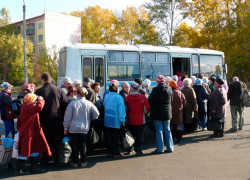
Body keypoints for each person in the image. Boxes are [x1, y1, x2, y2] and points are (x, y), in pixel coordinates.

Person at [35, 72, 68, 166]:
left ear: (43, 79)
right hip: (57, 119)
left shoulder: (39, 91)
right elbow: (65, 104)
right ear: (50, 79)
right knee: (57, 140)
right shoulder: (59, 90)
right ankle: (57, 160)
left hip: (44, 120)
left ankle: (45, 161)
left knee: (45, 140)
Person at [15, 94, 51, 175]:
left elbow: (19, 122)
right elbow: (39, 107)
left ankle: (27, 168)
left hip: (29, 132)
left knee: (32, 149)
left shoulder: (25, 107)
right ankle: (20, 169)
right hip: (29, 132)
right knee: (26, 150)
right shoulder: (29, 107)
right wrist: (41, 99)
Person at [63, 87, 99, 168]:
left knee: (74, 145)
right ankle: (83, 161)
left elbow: (67, 117)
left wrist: (65, 127)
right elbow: (96, 114)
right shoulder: (89, 103)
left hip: (73, 128)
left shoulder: (72, 103)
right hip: (84, 127)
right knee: (83, 145)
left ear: (77, 94)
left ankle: (75, 162)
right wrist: (90, 118)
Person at [148, 75, 174, 154]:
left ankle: (160, 149)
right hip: (167, 112)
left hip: (157, 112)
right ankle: (170, 147)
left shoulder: (155, 90)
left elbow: (150, 101)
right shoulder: (169, 89)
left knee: (159, 131)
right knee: (167, 129)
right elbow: (171, 100)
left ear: (157, 81)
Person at [124, 82, 150, 155]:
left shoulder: (127, 97)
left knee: (130, 135)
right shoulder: (142, 97)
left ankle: (130, 149)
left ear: (131, 89)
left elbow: (124, 108)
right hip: (140, 119)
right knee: (139, 135)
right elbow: (146, 108)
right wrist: (145, 113)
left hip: (130, 119)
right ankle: (138, 150)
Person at [103, 80, 126, 158]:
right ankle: (116, 153)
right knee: (116, 138)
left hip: (107, 119)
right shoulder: (119, 97)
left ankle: (110, 152)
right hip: (116, 121)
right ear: (117, 89)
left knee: (110, 137)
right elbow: (121, 111)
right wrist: (123, 121)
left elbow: (104, 105)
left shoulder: (107, 96)